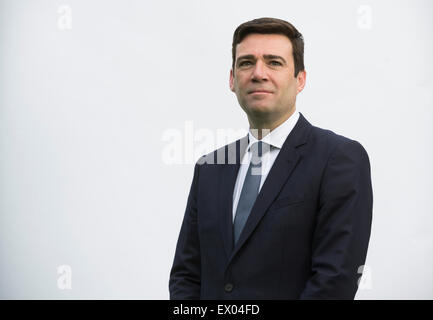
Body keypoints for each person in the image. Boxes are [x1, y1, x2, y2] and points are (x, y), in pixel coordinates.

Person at [169, 17, 373, 299]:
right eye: (246, 63)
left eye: (274, 62)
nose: (258, 73)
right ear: (232, 80)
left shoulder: (338, 159)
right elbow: (186, 275)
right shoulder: (210, 167)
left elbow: (334, 280)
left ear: (300, 79)